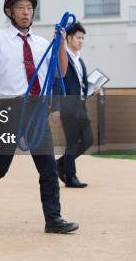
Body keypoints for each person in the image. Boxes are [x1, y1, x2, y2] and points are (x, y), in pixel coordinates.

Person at [0, 0, 79, 234]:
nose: (26, 13)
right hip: (10, 108)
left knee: (47, 168)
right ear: (9, 12)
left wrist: (61, 44)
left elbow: (60, 72)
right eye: (20, 8)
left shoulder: (42, 43)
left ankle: (53, 219)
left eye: (29, 8)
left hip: (36, 109)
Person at [52, 22, 96, 188]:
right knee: (73, 141)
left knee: (88, 140)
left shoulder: (79, 60)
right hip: (67, 106)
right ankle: (70, 176)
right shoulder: (63, 58)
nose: (81, 41)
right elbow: (56, 82)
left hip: (79, 105)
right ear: (68, 38)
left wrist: (92, 90)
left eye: (83, 38)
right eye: (78, 37)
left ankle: (60, 164)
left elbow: (80, 85)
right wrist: (55, 108)